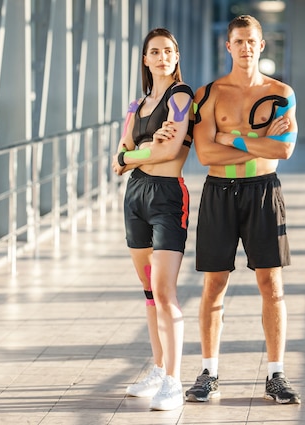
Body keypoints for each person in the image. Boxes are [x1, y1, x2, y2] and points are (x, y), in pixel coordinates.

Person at [184, 15, 300, 405]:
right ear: (228, 46)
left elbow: (283, 150)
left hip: (264, 192)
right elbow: (204, 153)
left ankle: (276, 374)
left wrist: (230, 136)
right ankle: (209, 372)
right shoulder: (209, 94)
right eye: (239, 41)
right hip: (219, 192)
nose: (246, 48)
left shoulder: (282, 92)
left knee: (272, 284)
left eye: (252, 41)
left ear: (262, 45)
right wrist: (256, 140)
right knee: (214, 284)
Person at [111, 27, 194, 411]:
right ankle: (158, 369)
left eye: (169, 51)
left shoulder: (181, 96)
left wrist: (135, 154)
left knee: (165, 291)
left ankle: (174, 380)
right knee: (148, 292)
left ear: (176, 57)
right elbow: (119, 156)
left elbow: (170, 151)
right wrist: (142, 149)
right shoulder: (137, 106)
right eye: (155, 52)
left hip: (166, 198)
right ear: (145, 59)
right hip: (136, 199)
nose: (163, 57)